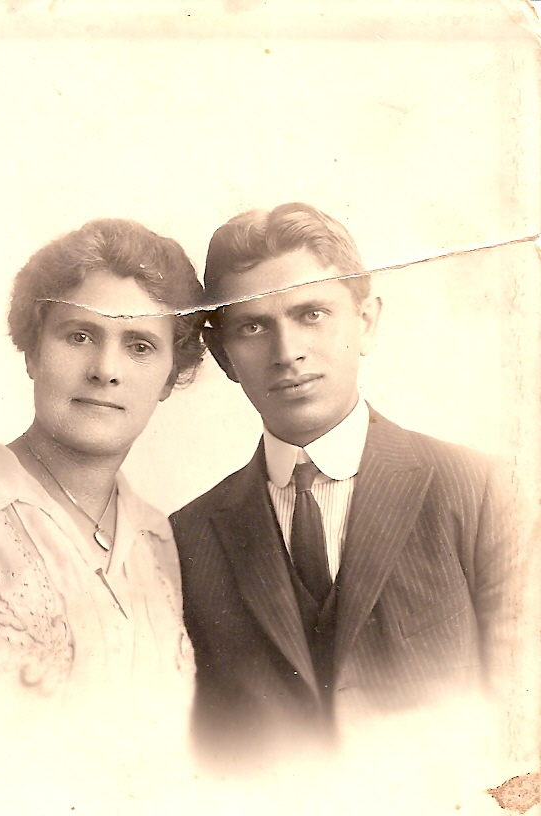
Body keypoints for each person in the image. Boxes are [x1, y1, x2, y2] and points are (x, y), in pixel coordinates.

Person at [171, 202, 517, 742]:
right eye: (253, 326)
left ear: (366, 322)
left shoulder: (483, 491)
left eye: (312, 314)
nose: (288, 353)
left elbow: (524, 722)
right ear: (222, 355)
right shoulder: (184, 539)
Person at [0, 217, 204, 716]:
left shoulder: (159, 540)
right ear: (32, 353)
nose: (105, 370)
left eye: (139, 346)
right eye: (80, 336)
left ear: (169, 377)